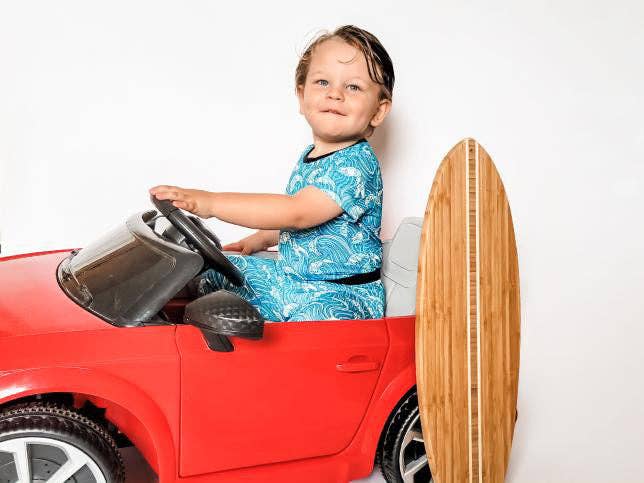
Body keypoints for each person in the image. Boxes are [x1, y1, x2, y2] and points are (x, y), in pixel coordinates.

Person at [150, 25, 394, 322]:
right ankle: (169, 318)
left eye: (353, 87)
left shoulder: (356, 164)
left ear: (378, 111)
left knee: (315, 319)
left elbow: (297, 213)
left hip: (340, 293)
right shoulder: (311, 156)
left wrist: (211, 203)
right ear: (302, 96)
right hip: (292, 280)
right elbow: (306, 223)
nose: (335, 94)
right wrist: (261, 239)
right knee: (216, 271)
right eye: (322, 82)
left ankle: (282, 346)